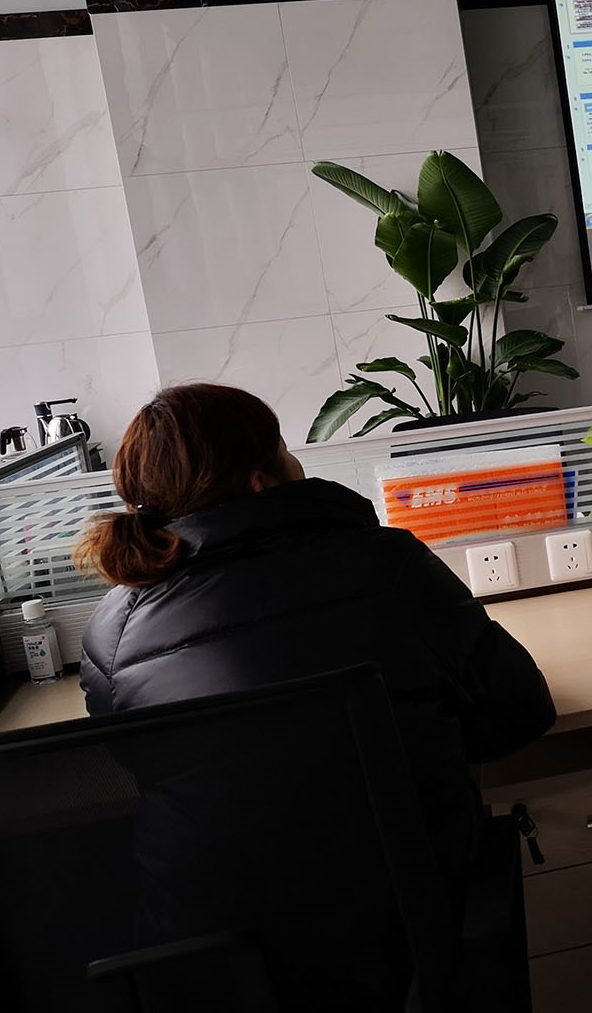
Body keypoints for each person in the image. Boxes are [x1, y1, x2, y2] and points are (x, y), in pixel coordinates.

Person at [75, 384, 556, 928]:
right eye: (283, 447)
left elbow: (145, 766)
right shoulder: (386, 566)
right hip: (411, 921)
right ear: (261, 481)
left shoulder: (110, 634)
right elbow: (519, 715)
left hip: (222, 951)